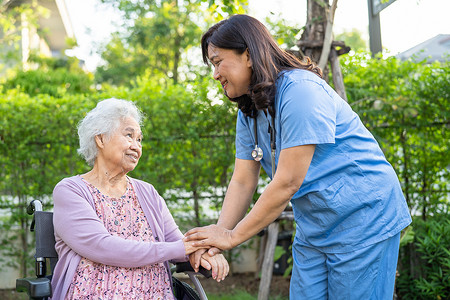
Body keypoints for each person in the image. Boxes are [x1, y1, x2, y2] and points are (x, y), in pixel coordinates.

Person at [184, 14, 412, 299]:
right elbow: (243, 181)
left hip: (364, 220)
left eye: (218, 62)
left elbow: (288, 181)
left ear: (249, 55)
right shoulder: (250, 110)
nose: (215, 74)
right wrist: (218, 235)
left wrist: (232, 237)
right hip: (315, 228)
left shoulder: (301, 91)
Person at [51, 98, 229, 299]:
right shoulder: (71, 190)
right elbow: (102, 246)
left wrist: (204, 253)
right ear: (100, 139)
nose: (136, 146)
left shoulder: (147, 192)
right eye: (129, 136)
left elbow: (177, 242)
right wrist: (184, 247)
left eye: (139, 139)